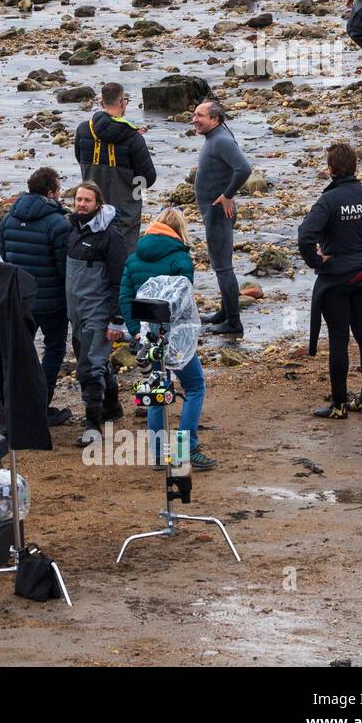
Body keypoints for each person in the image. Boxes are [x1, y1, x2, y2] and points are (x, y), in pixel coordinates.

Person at [297, 143, 362, 419]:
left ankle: (338, 405)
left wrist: (316, 261)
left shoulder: (328, 201)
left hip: (336, 281)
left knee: (339, 340)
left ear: (331, 169)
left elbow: (305, 235)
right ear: (354, 167)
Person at [118, 208, 215, 470]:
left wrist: (136, 329)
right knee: (195, 387)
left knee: (157, 390)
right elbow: (183, 303)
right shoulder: (180, 258)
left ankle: (160, 455)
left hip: (147, 336)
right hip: (175, 338)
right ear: (179, 230)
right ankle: (187, 449)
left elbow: (125, 297)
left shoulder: (134, 257)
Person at [0, 166, 73, 422]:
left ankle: (10, 408)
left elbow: (5, 255)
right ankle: (40, 405)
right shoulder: (58, 223)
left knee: (19, 353)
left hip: (19, 299)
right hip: (52, 301)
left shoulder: (9, 219)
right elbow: (64, 267)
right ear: (51, 192)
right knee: (53, 349)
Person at [65, 180, 128, 447]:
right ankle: (111, 407)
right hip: (76, 311)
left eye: (87, 200)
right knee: (93, 361)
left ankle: (93, 425)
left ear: (98, 204)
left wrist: (116, 319)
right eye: (78, 199)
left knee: (89, 368)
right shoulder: (74, 230)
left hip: (98, 311)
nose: (81, 204)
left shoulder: (110, 236)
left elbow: (120, 280)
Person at [192, 100, 252, 337]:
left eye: (200, 116)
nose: (195, 119)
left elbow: (244, 168)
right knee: (220, 265)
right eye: (194, 114)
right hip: (213, 211)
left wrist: (227, 195)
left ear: (215, 119)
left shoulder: (221, 140)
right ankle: (224, 312)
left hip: (217, 212)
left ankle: (234, 322)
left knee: (223, 267)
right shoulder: (216, 136)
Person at [74, 82, 157, 252]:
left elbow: (79, 158)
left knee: (93, 254)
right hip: (125, 210)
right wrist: (135, 191)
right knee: (122, 258)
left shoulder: (83, 130)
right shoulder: (133, 137)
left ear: (102, 103)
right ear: (122, 103)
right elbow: (148, 178)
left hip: (91, 205)